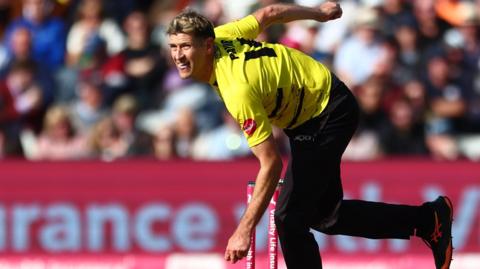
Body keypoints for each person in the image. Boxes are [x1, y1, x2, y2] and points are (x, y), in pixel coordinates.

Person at [166, 2, 453, 269]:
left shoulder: (237, 90)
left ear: (207, 45)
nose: (178, 55)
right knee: (328, 216)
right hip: (311, 112)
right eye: (173, 46)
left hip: (327, 112)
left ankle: (429, 220)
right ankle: (429, 220)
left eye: (185, 47)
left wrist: (244, 230)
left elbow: (271, 164)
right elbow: (269, 13)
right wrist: (319, 13)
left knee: (289, 219)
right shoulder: (221, 35)